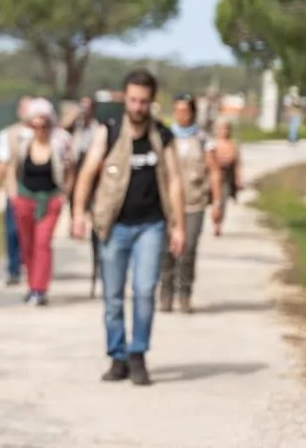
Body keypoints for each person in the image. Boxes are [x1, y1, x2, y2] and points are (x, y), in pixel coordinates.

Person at [71, 69, 186, 387]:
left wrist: (178, 226)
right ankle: (117, 356)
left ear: (152, 102)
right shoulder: (108, 131)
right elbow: (88, 172)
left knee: (145, 291)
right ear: (125, 98)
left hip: (151, 225)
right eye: (133, 100)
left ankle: (138, 354)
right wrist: (78, 212)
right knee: (113, 296)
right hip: (114, 225)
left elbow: (175, 182)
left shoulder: (162, 136)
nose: (137, 107)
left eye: (143, 101)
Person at [159, 93, 224, 314]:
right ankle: (165, 293)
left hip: (194, 203)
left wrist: (217, 203)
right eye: (177, 111)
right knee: (166, 250)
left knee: (188, 249)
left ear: (193, 113)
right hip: (168, 204)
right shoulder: (165, 137)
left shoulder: (203, 139)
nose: (181, 115)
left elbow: (214, 172)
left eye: (185, 111)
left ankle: (184, 294)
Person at [5, 98, 74, 306]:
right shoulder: (23, 145)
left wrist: (64, 195)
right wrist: (13, 195)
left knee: (42, 244)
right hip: (25, 199)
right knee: (27, 244)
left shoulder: (59, 145)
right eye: (35, 126)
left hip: (49, 201)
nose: (40, 130)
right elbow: (11, 169)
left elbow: (71, 170)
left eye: (44, 125)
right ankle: (31, 285)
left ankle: (40, 289)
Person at [0, 98, 33, 286]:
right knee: (12, 232)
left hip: (37, 192)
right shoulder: (8, 134)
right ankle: (14, 269)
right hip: (15, 191)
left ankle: (31, 266)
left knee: (32, 233)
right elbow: (1, 164)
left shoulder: (46, 133)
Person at [66, 96, 103, 296]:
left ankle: (100, 272)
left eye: (88, 107)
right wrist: (72, 118)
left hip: (95, 178)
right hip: (76, 174)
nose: (85, 111)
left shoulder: (99, 130)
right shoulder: (75, 129)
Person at [212, 118, 243, 219]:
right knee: (214, 201)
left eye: (226, 128)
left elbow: (237, 163)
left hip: (227, 178)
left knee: (222, 201)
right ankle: (215, 218)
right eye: (221, 128)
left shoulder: (233, 144)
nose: (224, 131)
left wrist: (238, 180)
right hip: (213, 178)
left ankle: (219, 221)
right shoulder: (213, 144)